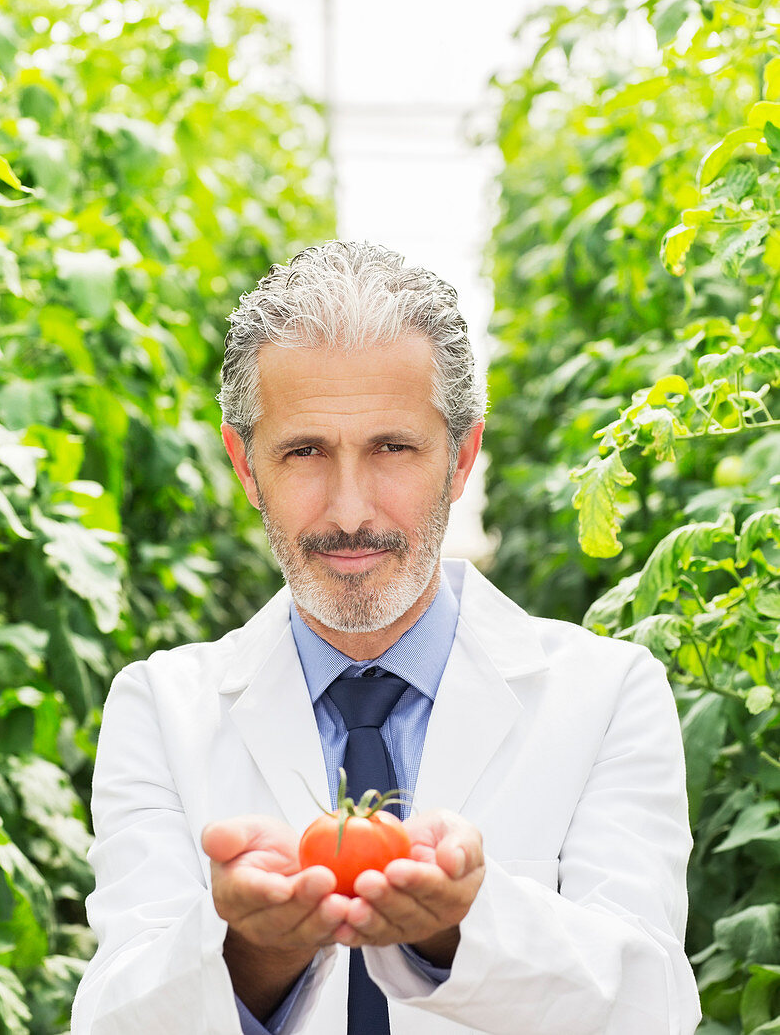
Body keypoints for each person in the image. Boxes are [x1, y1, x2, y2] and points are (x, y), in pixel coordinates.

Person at [71, 240, 701, 1035]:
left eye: (392, 449)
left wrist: (458, 926)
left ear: (462, 456)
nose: (348, 512)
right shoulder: (159, 710)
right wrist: (251, 952)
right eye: (303, 452)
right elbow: (111, 1019)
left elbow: (654, 1007)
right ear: (244, 466)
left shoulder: (609, 696)